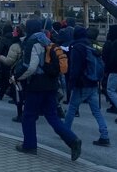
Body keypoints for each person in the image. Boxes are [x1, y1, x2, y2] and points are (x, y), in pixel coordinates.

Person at [15, 19, 82, 161]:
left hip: (36, 84)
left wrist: (18, 76)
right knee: (53, 117)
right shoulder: (48, 40)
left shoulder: (32, 42)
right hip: (51, 83)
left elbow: (31, 66)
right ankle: (72, 140)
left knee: (28, 116)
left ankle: (29, 145)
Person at [64, 26, 110, 147]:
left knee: (72, 108)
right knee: (96, 111)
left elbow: (75, 68)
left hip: (82, 83)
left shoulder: (77, 47)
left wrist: (71, 83)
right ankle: (104, 135)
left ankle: (65, 132)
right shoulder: (91, 46)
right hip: (93, 82)